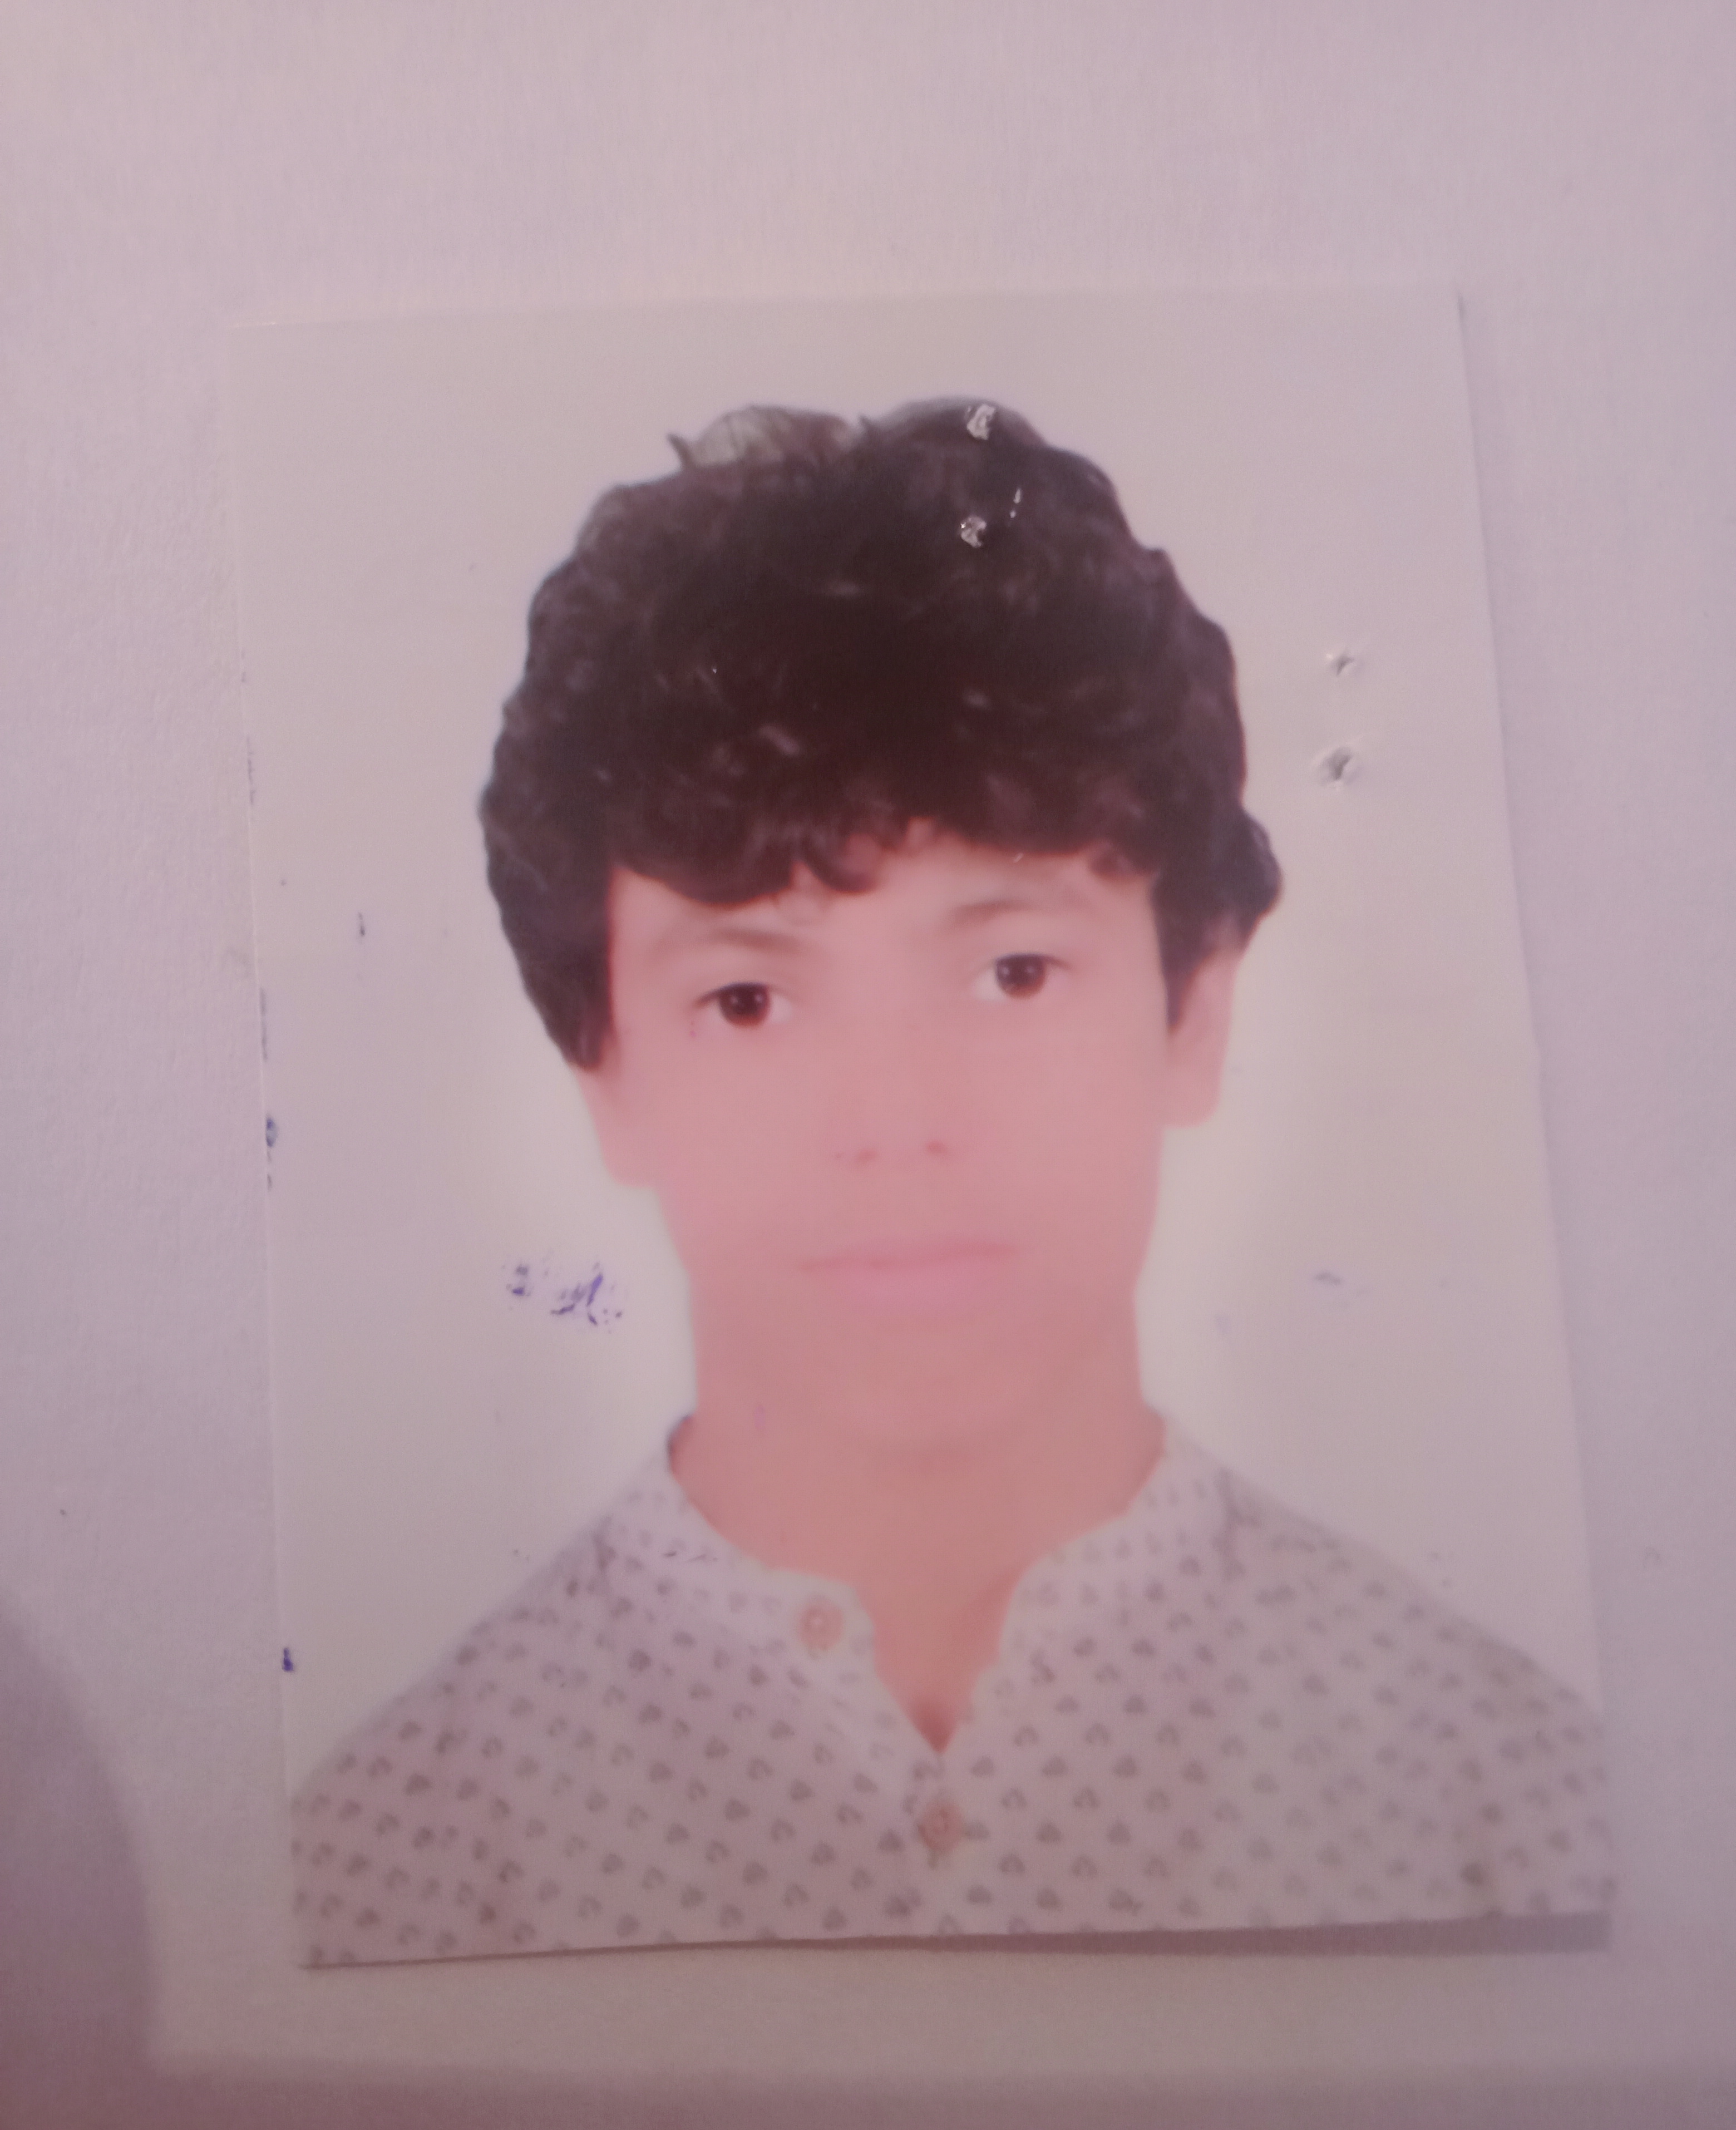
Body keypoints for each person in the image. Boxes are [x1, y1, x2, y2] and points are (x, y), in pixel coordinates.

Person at [291, 400, 1611, 1964]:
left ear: (1193, 1009)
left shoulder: (1520, 1808)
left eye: (1013, 971)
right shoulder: (383, 1873)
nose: (897, 1123)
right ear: (603, 1069)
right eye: (749, 1000)